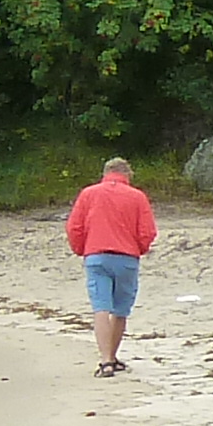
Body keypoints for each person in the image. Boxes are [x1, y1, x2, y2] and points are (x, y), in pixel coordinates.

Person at [64, 157, 158, 376]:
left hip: (96, 255)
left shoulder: (89, 194)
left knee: (101, 309)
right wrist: (139, 248)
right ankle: (112, 357)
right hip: (126, 258)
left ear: (105, 173)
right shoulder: (137, 197)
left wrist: (81, 249)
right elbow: (147, 231)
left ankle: (106, 360)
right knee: (120, 310)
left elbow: (74, 227)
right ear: (128, 175)